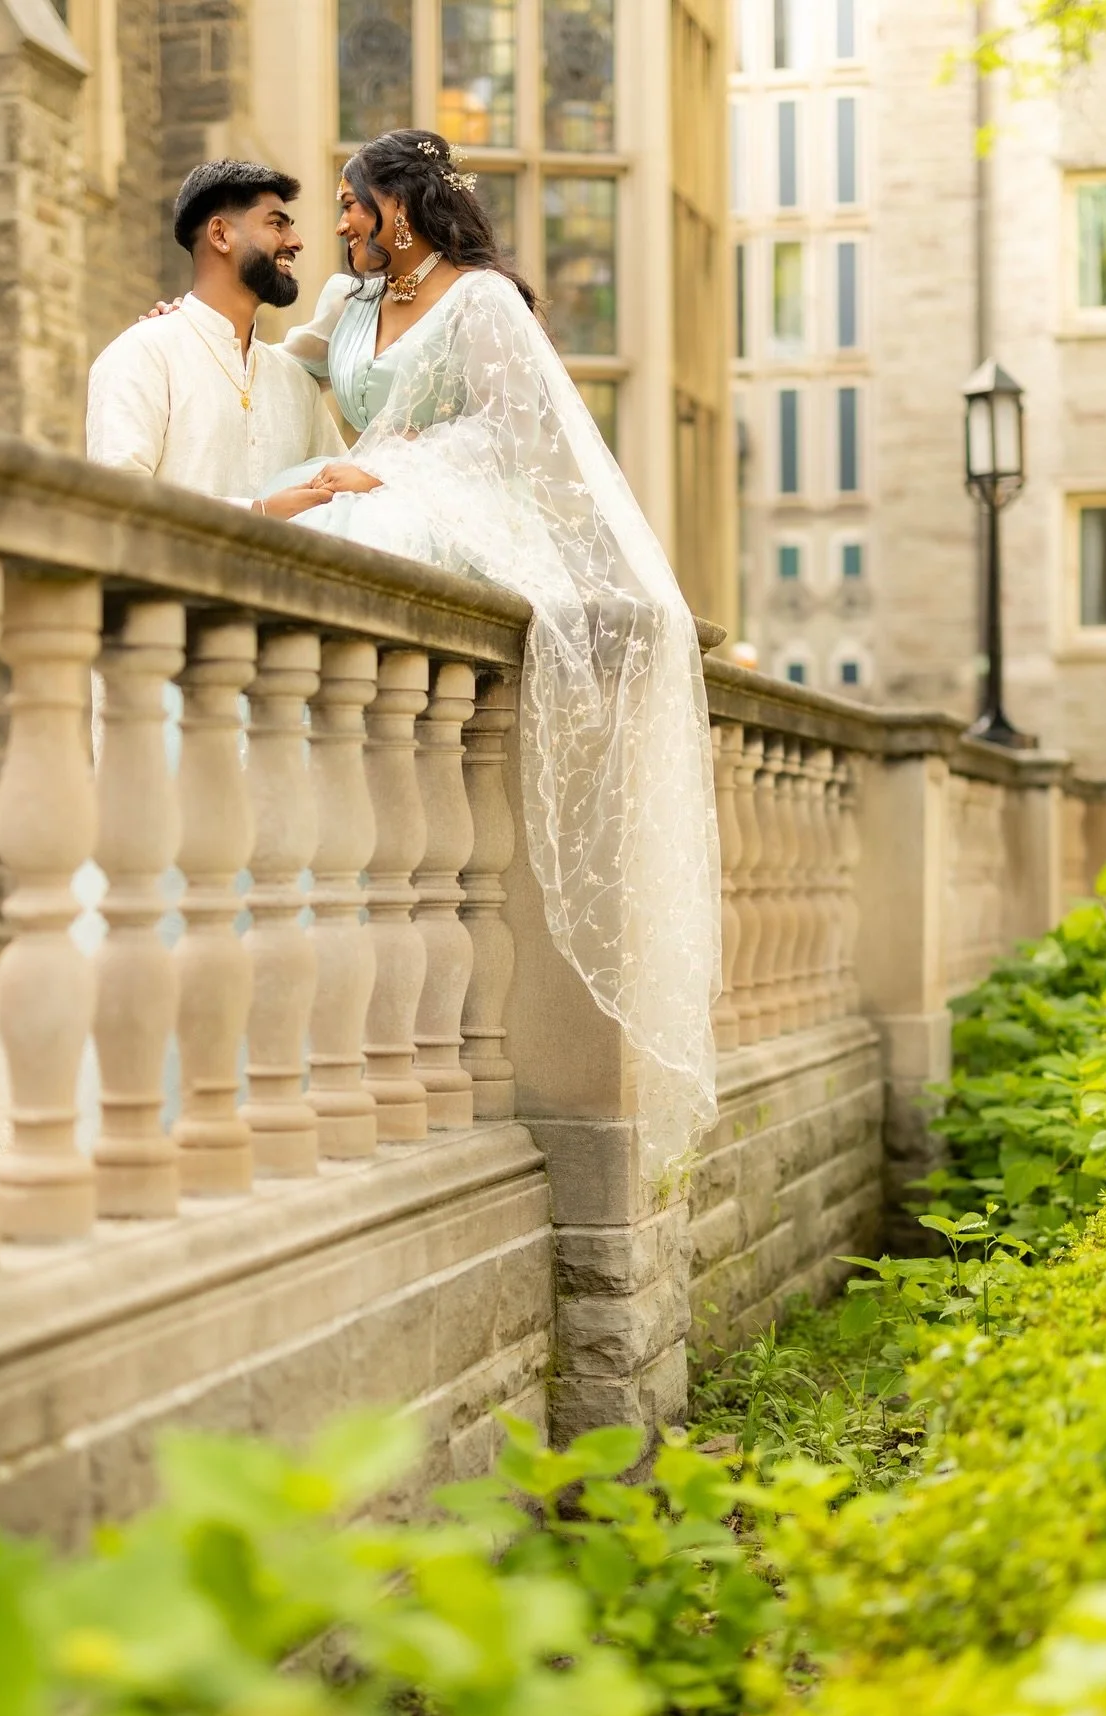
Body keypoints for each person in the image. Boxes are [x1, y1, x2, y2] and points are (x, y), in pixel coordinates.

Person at [269, 129, 722, 1182]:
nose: (339, 224)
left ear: (402, 207)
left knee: (353, 543)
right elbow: (270, 358)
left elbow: (515, 435)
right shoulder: (348, 304)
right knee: (285, 536)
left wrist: (396, 481)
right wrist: (187, 332)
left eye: (351, 204)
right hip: (360, 489)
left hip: (445, 510)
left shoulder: (483, 303)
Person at [86, 160, 341, 515]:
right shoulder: (143, 354)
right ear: (220, 235)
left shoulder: (295, 382)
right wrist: (256, 513)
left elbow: (340, 498)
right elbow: (117, 501)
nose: (295, 242)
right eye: (276, 224)